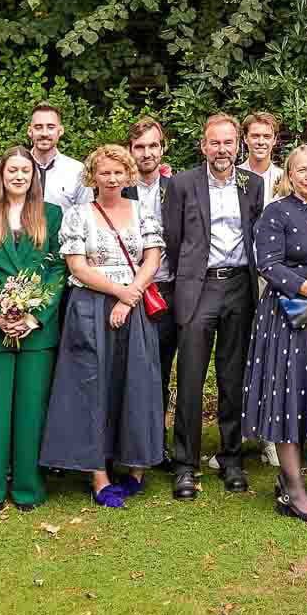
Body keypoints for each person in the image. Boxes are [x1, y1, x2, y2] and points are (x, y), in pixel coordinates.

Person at [44, 145, 167, 507]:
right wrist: (120, 294)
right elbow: (78, 267)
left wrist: (131, 296)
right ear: (92, 177)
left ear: (128, 175)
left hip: (135, 303)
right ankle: (97, 475)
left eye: (118, 173)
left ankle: (135, 468)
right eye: (104, 173)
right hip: (91, 306)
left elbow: (152, 257)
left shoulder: (142, 211)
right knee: (90, 387)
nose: (112, 179)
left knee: (138, 382)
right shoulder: (78, 215)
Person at [0, 146, 67, 513]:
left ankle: (27, 487)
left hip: (36, 331)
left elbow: (57, 271)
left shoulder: (51, 215)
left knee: (30, 409)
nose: (19, 177)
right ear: (0, 176)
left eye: (25, 171)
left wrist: (36, 315)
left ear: (34, 177)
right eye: (12, 171)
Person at [163, 114, 267, 498]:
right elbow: (173, 239)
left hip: (240, 286)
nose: (222, 150)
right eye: (215, 143)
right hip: (199, 287)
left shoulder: (251, 184)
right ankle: (185, 465)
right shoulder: (182, 184)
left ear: (237, 145)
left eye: (228, 143)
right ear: (204, 146)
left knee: (232, 377)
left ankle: (231, 458)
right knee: (190, 377)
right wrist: (189, 278)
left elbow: (256, 233)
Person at [245, 145, 307, 523]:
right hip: (288, 319)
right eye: (301, 170)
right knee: (288, 399)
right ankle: (294, 490)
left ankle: (291, 481)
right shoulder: (277, 212)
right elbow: (266, 264)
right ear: (289, 173)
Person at [127, 117, 177, 416]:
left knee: (161, 365)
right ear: (130, 150)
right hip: (127, 290)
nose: (147, 153)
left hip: (167, 289)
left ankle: (156, 441)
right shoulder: (117, 188)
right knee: (129, 367)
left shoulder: (178, 187)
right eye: (140, 147)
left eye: (154, 146)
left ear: (163, 148)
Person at [29, 103, 86, 208]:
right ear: (30, 131)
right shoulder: (15, 169)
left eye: (50, 127)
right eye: (38, 127)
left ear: (60, 131)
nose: (44, 133)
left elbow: (86, 214)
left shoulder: (77, 170)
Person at [241, 112, 283, 203]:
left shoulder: (284, 179)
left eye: (267, 136)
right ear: (245, 138)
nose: (261, 142)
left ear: (274, 140)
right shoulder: (233, 177)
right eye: (255, 136)